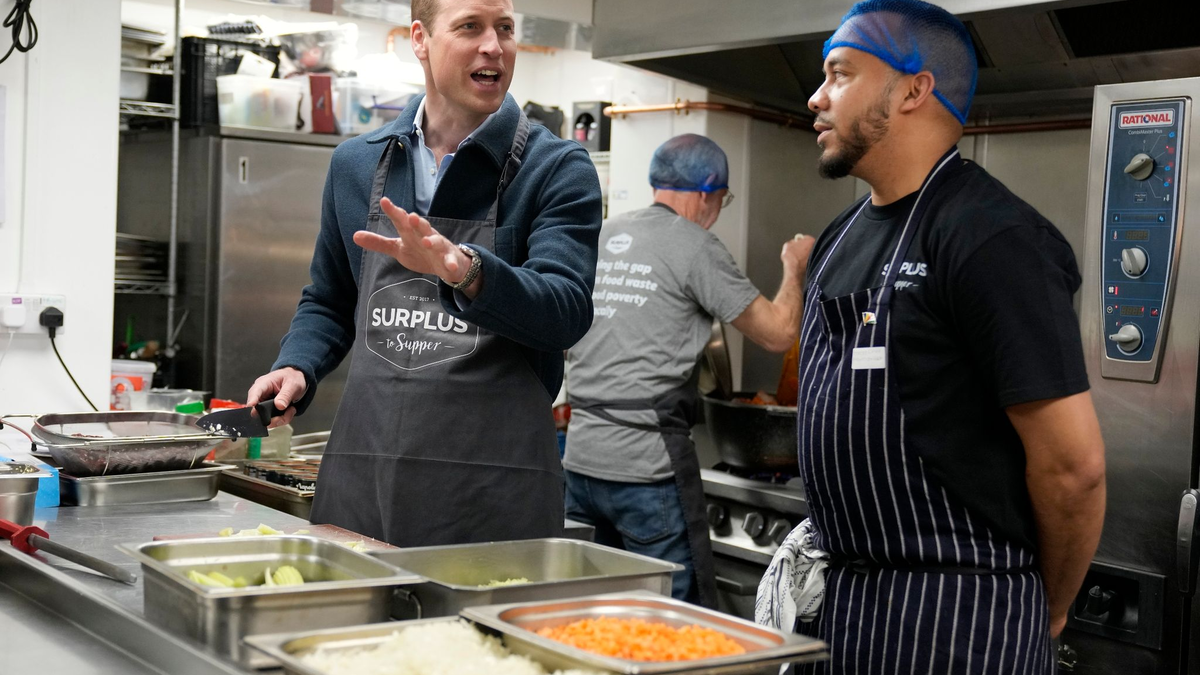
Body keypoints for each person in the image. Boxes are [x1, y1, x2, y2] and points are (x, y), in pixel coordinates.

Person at [766, 1, 1107, 672]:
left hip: (960, 617)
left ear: (914, 89)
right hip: (846, 608)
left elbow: (1074, 468)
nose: (815, 97)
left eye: (840, 74)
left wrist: (1048, 608)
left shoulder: (993, 237)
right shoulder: (838, 238)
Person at [246, 0, 602, 547]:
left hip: (491, 498)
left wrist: (467, 271)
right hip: (364, 482)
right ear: (420, 39)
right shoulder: (356, 164)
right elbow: (331, 299)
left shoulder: (555, 169)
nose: (494, 46)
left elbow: (566, 310)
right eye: (470, 27)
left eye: (505, 28)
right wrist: (298, 364)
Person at [563, 134, 815, 608]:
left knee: (594, 609)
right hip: (647, 470)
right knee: (672, 612)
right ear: (706, 193)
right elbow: (780, 334)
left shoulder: (601, 235)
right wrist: (795, 266)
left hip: (579, 462)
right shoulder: (696, 246)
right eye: (722, 199)